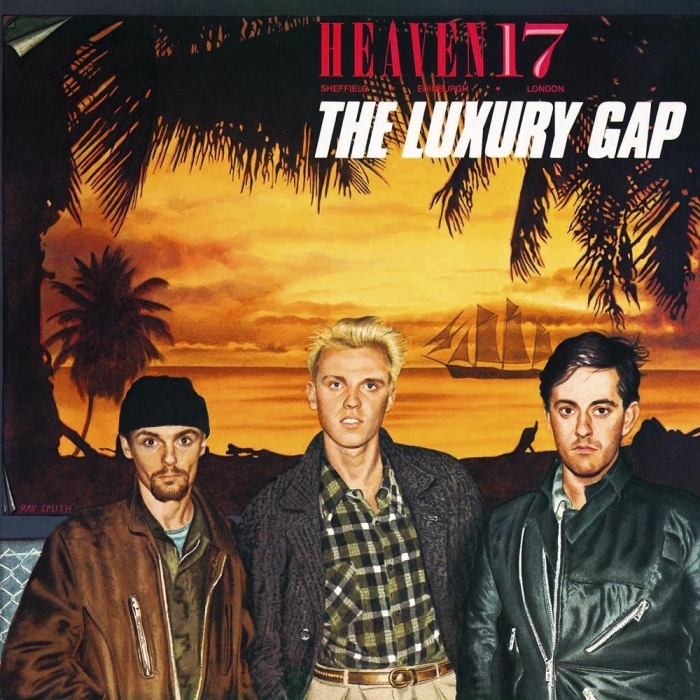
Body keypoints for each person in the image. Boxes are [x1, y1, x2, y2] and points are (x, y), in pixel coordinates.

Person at [238, 316, 486, 700]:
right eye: (335, 384)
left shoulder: (447, 483)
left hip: (441, 687)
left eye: (370, 385)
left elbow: (486, 610)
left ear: (391, 396)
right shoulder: (273, 511)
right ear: (312, 395)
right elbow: (265, 647)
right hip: (337, 690)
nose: (352, 401)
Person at [460, 331, 700, 700]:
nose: (583, 429)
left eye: (601, 410)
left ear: (629, 417)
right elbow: (481, 662)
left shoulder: (681, 521)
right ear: (549, 417)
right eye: (567, 410)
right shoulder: (507, 527)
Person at [0, 375, 255, 700]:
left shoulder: (233, 547)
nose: (169, 458)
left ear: (203, 444)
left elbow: (251, 668)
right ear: (126, 446)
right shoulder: (80, 544)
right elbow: (29, 668)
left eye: (183, 440)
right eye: (150, 442)